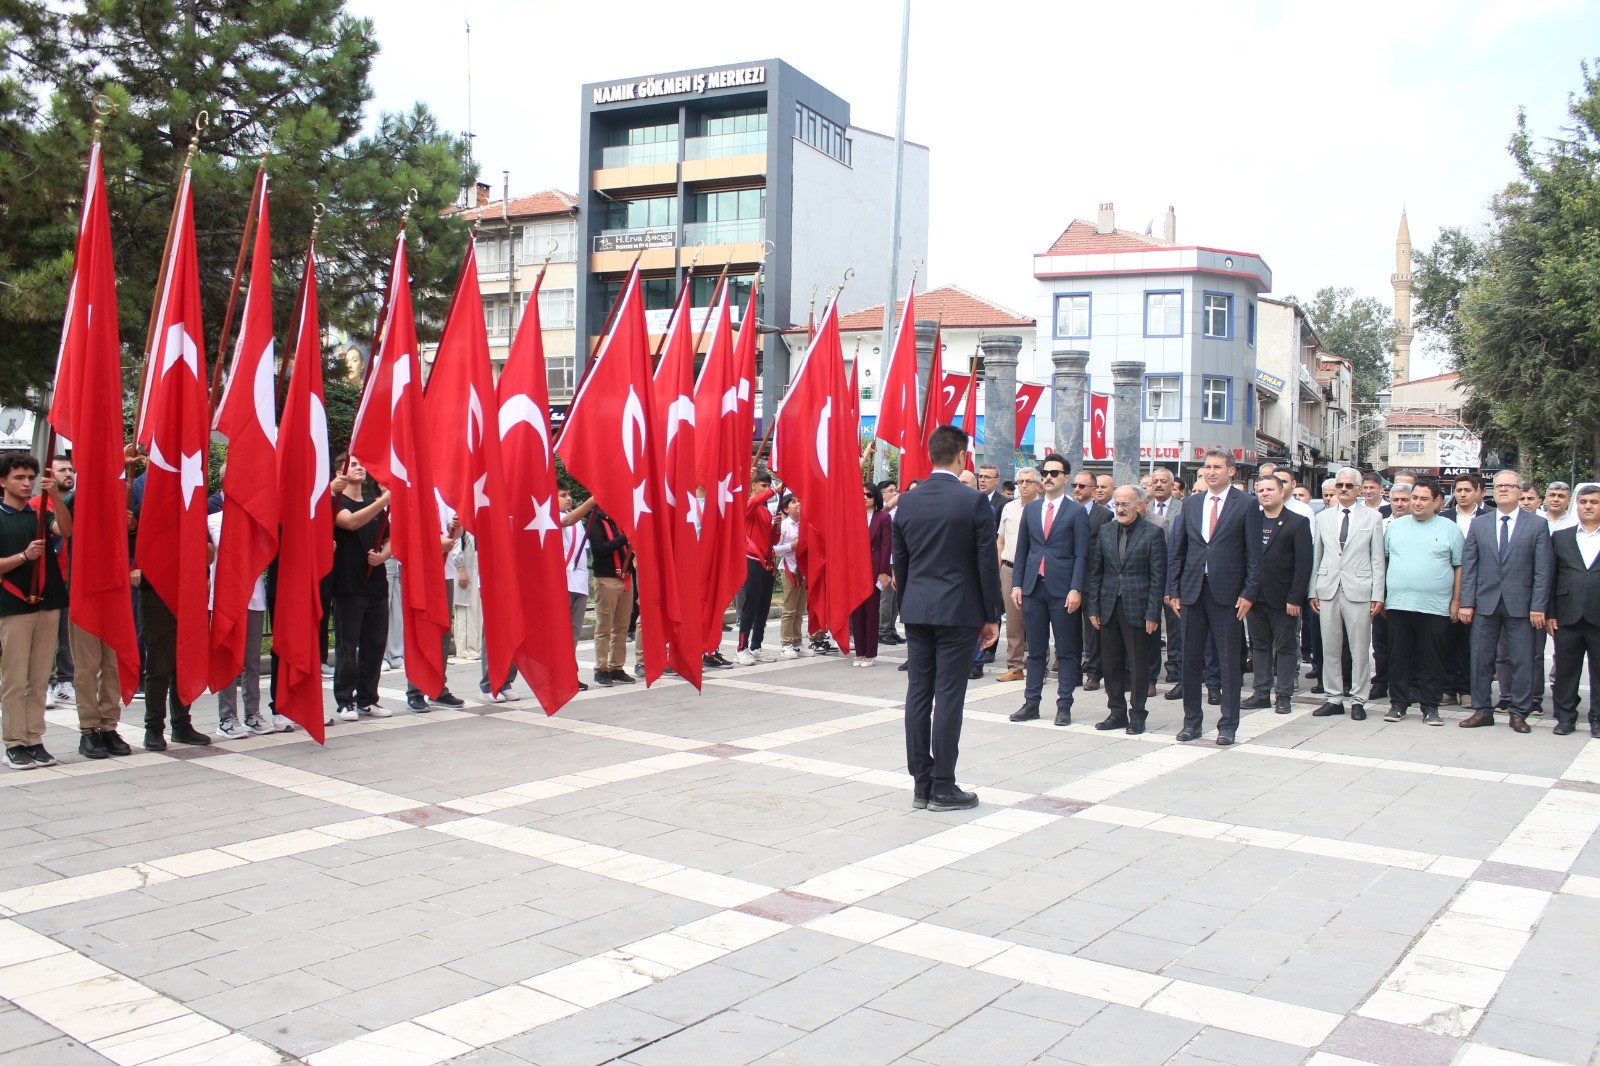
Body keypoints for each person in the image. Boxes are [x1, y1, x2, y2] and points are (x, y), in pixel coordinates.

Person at [893, 424, 1001, 812]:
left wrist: (909, 604)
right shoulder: (973, 502)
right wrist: (991, 616)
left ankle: (922, 783)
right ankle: (943, 785)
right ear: (961, 456)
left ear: (931, 456)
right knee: (949, 696)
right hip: (958, 611)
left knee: (918, 693)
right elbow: (986, 562)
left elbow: (900, 562)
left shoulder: (907, 501)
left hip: (918, 609)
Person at [1166, 448, 1261, 745]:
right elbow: (1178, 550)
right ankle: (1191, 721)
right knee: (1191, 660)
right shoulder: (1191, 504)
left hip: (1229, 594)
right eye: (1207, 467)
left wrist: (1249, 592)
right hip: (1193, 592)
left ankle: (1228, 724)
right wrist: (1174, 590)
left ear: (1231, 471)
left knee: (1230, 661)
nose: (1211, 472)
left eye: (1217, 467)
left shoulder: (1245, 504)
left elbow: (1254, 555)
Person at [1459, 469, 1552, 733]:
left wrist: (1538, 606)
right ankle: (1482, 710)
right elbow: (1470, 565)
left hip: (1521, 604)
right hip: (1484, 602)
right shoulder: (1480, 523)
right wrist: (1467, 602)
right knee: (1480, 658)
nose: (1502, 489)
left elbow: (1543, 570)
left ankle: (1519, 712)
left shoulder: (1536, 524)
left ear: (1520, 492)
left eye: (1509, 486)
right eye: (1498, 485)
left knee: (1522, 659)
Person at [0, 452, 72, 769]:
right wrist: (24, 557)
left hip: (48, 600)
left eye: (30, 477)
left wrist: (55, 496)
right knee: (15, 678)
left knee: (39, 677)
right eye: (19, 477)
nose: (27, 483)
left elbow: (67, 531)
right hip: (12, 603)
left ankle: (34, 738)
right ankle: (14, 742)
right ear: (2, 481)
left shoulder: (39, 511)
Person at [1010, 454, 1089, 727]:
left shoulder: (1077, 511)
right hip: (1033, 587)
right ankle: (1031, 702)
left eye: (1054, 473)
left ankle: (1064, 705)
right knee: (1035, 651)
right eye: (1045, 472)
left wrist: (1076, 588)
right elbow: (1023, 550)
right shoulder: (1031, 509)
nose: (1048, 477)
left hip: (1062, 589)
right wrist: (1017, 583)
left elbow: (1082, 554)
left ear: (1066, 477)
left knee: (1066, 651)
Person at [1380, 481, 1463, 725]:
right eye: (1414, 497)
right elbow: (1383, 561)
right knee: (1398, 657)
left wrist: (1457, 600)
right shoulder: (1394, 527)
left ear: (1436, 502)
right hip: (1398, 604)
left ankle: (1430, 706)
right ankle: (1398, 704)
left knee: (1432, 659)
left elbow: (1459, 567)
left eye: (1423, 498)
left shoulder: (1450, 529)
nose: (1416, 503)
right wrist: (1382, 595)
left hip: (1435, 606)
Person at [1087, 485, 1165, 734]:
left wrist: (1153, 613)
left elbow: (1157, 577)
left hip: (1138, 609)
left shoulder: (1153, 533)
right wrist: (1094, 607)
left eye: (1125, 504)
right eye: (1117, 504)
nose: (1120, 509)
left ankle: (1138, 714)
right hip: (1109, 606)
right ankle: (1116, 711)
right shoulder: (1106, 531)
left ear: (1140, 505)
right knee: (1110, 663)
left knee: (1138, 664)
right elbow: (1097, 571)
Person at [1309, 468, 1386, 722]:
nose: (1343, 489)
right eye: (1340, 485)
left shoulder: (1372, 517)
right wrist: (1313, 591)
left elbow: (1377, 559)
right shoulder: (1324, 517)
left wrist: (1378, 594)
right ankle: (1333, 698)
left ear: (1359, 489)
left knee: (1359, 646)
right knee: (1329, 647)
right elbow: (1316, 556)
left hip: (1359, 588)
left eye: (1349, 486)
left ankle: (1358, 699)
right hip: (1328, 587)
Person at [1243, 474, 1313, 716]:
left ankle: (1283, 695)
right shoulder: (1251, 521)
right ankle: (1261, 692)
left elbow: (1304, 565)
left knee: (1286, 647)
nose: (1264, 494)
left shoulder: (1297, 522)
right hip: (1254, 597)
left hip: (1284, 599)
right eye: (1260, 490)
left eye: (1269, 489)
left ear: (1282, 492)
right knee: (1259, 646)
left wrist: (1295, 598)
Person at [330, 455, 394, 722]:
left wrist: (383, 556)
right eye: (353, 465)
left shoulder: (374, 506)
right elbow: (351, 522)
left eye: (360, 464)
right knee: (348, 646)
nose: (359, 468)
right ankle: (345, 701)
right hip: (348, 585)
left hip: (376, 585)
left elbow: (390, 539)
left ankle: (369, 698)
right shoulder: (336, 504)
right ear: (339, 473)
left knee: (375, 645)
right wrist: (384, 500)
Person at [208, 503, 271, 738]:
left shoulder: (259, 521)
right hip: (224, 599)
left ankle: (252, 713)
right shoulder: (213, 520)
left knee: (252, 659)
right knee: (226, 657)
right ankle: (227, 717)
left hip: (253, 597)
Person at [1548, 483, 1600, 736]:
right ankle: (1565, 717)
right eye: (1583, 502)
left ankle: (1598, 719)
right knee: (1567, 671)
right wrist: (1550, 613)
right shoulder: (1562, 537)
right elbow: (1551, 577)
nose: (1588, 506)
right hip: (1567, 616)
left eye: (1594, 502)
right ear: (1576, 505)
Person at [1441, 474, 1486, 706]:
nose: (1462, 494)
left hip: (1480, 589)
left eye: (1467, 490)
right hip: (1448, 587)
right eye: (1458, 490)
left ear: (1478, 491)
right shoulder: (1444, 518)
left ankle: (1467, 688)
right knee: (1448, 640)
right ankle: (1448, 688)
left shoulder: (1488, 518)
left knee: (1471, 643)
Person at [994, 467, 1040, 683]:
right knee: (1013, 621)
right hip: (1010, 569)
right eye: (1020, 481)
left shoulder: (1043, 508)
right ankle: (1015, 665)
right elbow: (1000, 540)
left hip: (1037, 571)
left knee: (1037, 620)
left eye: (1029, 481)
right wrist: (998, 566)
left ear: (1038, 485)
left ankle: (1039, 667)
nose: (1023, 485)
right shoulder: (1009, 508)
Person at [1370, 482, 1414, 702]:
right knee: (1381, 642)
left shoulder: (1418, 525)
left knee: (1408, 644)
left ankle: (1410, 684)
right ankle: (1380, 682)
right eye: (1395, 499)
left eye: (1404, 500)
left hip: (1408, 593)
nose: (1399, 504)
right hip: (1382, 591)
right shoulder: (1380, 522)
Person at [1073, 471, 1112, 690]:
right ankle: (1074, 670)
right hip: (1069, 579)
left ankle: (1094, 672)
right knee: (1070, 630)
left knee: (1092, 630)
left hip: (1091, 580)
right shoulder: (1068, 511)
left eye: (1082, 486)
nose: (1077, 489)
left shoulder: (1103, 515)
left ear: (1093, 489)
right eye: (1075, 485)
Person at [735, 472, 778, 665]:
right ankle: (741, 648)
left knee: (763, 607)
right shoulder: (748, 505)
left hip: (767, 562)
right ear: (753, 486)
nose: (767, 489)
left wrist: (775, 527)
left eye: (768, 485)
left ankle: (756, 646)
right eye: (763, 485)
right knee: (750, 606)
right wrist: (773, 491)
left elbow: (772, 540)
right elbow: (751, 504)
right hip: (752, 560)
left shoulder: (766, 511)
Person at [588, 505, 634, 685]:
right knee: (604, 627)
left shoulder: (620, 519)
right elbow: (599, 549)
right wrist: (626, 537)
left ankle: (617, 666)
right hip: (607, 578)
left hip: (625, 578)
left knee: (622, 627)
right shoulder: (595, 520)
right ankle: (601, 668)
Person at [850, 483, 893, 667]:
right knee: (856, 612)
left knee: (871, 611)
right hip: (854, 569)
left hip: (874, 570)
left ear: (876, 497)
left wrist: (884, 572)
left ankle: (870, 653)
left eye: (869, 494)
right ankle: (859, 652)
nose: (865, 497)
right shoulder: (852, 517)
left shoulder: (883, 518)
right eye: (862, 494)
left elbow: (886, 546)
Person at [44, 456, 76, 709]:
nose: (68, 473)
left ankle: (66, 681)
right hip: (45, 582)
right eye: (62, 469)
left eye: (71, 470)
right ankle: (44, 682)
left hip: (71, 578)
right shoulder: (36, 505)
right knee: (46, 637)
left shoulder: (74, 502)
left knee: (67, 636)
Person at [1147, 467, 1182, 686]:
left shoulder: (1183, 509)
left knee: (1174, 625)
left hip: (1172, 573)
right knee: (1151, 623)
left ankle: (1175, 667)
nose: (1159, 485)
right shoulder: (1144, 507)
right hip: (1149, 575)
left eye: (1163, 481)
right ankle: (1151, 669)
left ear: (1172, 486)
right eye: (1155, 481)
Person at [558, 490, 595, 691]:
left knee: (573, 634)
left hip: (578, 583)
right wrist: (593, 499)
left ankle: (570, 674)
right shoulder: (552, 517)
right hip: (561, 583)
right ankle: (558, 675)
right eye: (562, 495)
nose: (568, 498)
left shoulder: (578, 522)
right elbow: (567, 521)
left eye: (569, 495)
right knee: (560, 633)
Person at [774, 496, 813, 659]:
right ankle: (786, 643)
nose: (797, 504)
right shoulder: (783, 526)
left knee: (799, 610)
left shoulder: (806, 524)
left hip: (804, 570)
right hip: (789, 569)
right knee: (789, 609)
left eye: (799, 501)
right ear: (785, 509)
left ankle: (797, 642)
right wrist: (792, 546)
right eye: (793, 502)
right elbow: (773, 549)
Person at [878, 481, 903, 646]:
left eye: (896, 491)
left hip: (897, 560)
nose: (894, 494)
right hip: (886, 560)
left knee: (895, 598)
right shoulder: (881, 514)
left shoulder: (896, 511)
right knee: (886, 598)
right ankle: (883, 630)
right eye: (890, 491)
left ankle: (891, 629)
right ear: (882, 494)